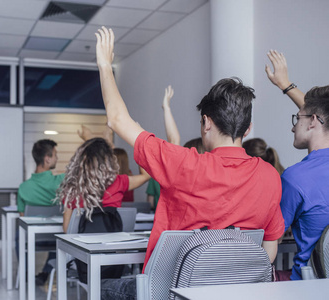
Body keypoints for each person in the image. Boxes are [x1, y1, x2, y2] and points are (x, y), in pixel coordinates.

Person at [95, 27, 284, 298]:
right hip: (237, 293)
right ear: (248, 127)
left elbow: (117, 120)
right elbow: (269, 248)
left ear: (206, 123)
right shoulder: (270, 176)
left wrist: (104, 65)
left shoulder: (183, 164)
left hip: (167, 291)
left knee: (103, 288)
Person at [266, 50, 329, 280]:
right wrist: (286, 85)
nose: (293, 127)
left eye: (297, 118)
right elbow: (320, 113)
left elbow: (273, 237)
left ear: (313, 121)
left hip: (307, 287)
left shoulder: (296, 178)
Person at [57, 138, 150, 233]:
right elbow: (146, 175)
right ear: (108, 161)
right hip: (113, 244)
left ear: (81, 161)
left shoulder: (72, 187)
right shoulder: (119, 182)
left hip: (82, 245)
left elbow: (66, 228)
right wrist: (138, 144)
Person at [16, 139, 65, 285]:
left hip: (33, 237)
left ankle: (25, 272)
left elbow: (23, 217)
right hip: (56, 237)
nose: (57, 158)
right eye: (55, 154)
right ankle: (46, 272)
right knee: (62, 235)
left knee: (19, 236)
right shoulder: (62, 181)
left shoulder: (23, 187)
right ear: (47, 158)